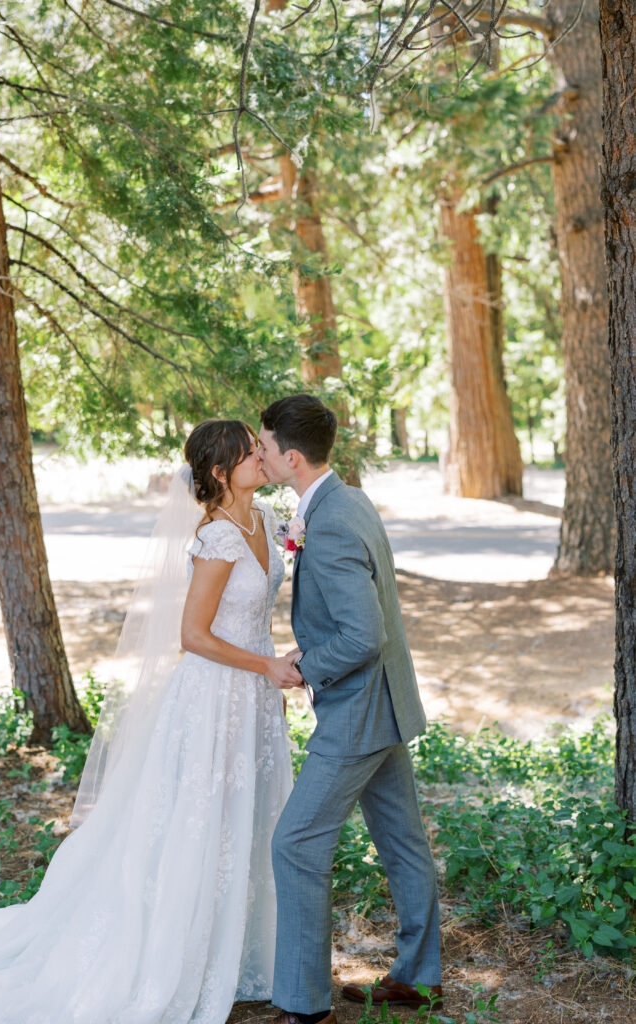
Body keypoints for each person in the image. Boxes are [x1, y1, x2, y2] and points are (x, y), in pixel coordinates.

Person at [0, 419, 300, 1024]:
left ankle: (245, 952)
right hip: (214, 695)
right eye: (248, 454)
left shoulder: (267, 520)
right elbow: (193, 637)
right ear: (221, 473)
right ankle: (178, 956)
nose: (259, 458)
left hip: (254, 698)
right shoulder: (217, 539)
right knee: (201, 823)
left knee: (247, 817)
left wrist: (276, 667)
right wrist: (265, 665)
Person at [257, 395, 442, 1024]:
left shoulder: (330, 519)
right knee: (404, 843)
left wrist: (304, 666)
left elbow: (363, 636)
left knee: (295, 843)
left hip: (359, 713)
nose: (258, 453)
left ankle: (304, 1004)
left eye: (263, 445)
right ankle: (420, 978)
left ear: (292, 456)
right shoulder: (347, 497)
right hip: (385, 703)